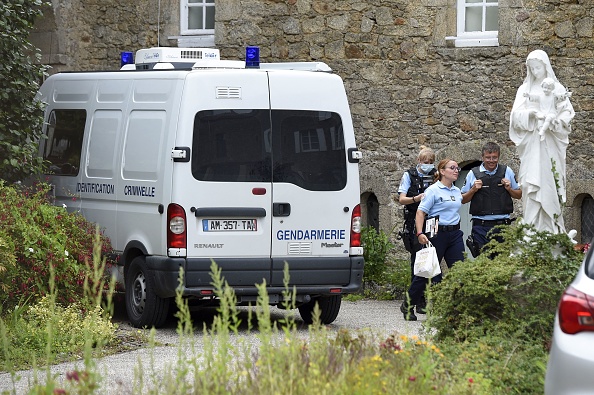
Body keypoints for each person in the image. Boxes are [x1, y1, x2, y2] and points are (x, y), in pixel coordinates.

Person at [509, 50, 575, 234]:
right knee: (530, 184)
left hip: (550, 146)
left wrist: (556, 122)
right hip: (532, 143)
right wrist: (531, 114)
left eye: (538, 67)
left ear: (545, 66)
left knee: (550, 182)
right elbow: (515, 117)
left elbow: (567, 113)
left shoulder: (558, 88)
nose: (535, 71)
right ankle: (531, 229)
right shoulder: (524, 90)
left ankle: (553, 230)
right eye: (532, 68)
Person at [400, 158, 465, 321]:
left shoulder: (456, 191)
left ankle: (460, 308)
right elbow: (420, 212)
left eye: (457, 168)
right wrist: (420, 233)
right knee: (426, 272)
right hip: (436, 233)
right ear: (442, 171)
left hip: (455, 234)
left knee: (460, 271)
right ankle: (408, 305)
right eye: (452, 168)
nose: (456, 170)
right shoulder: (433, 190)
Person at [461, 142, 522, 257]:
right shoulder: (473, 173)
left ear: (499, 157)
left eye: (494, 157)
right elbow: (463, 199)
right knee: (484, 261)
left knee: (502, 261)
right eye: (488, 158)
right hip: (481, 226)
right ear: (482, 157)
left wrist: (509, 189)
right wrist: (473, 190)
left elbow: (518, 194)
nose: (491, 160)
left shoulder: (507, 171)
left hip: (502, 226)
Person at [396, 146, 436, 315]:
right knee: (417, 261)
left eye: (431, 162)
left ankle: (422, 300)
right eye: (425, 162)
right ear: (419, 161)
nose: (428, 165)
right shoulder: (409, 175)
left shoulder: (436, 175)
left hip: (432, 222)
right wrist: (416, 198)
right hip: (414, 221)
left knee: (431, 260)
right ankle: (413, 303)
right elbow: (401, 199)